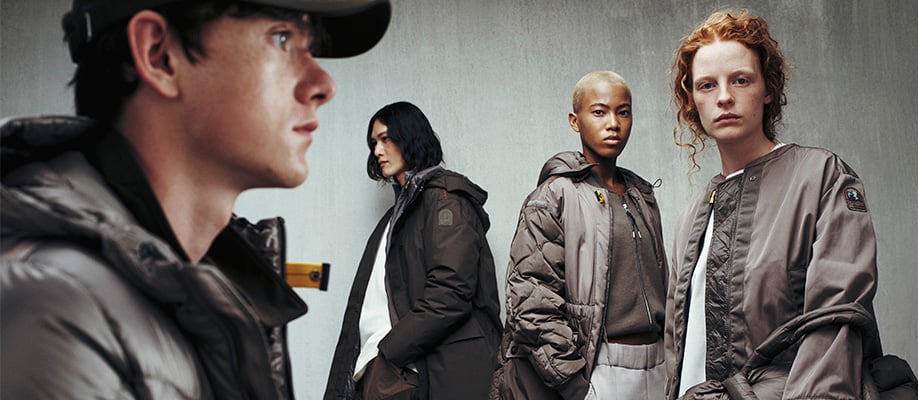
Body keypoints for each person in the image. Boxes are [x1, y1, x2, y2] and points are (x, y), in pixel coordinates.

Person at [0, 1, 390, 399]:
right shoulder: (54, 313)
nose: (323, 85)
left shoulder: (198, 293)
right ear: (160, 55)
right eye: (281, 38)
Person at [664, 9, 881, 399]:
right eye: (707, 85)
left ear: (767, 89)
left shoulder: (821, 178)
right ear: (692, 101)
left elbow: (836, 320)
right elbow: (678, 351)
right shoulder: (692, 217)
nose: (724, 97)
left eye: (740, 80)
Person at [491, 71, 669, 399]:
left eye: (623, 112)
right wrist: (575, 385)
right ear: (575, 121)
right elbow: (531, 301)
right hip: (596, 367)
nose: (613, 123)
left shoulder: (641, 195)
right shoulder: (553, 196)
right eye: (599, 112)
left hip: (658, 367)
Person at [323, 101, 503, 400]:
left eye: (385, 139)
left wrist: (391, 351)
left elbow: (451, 292)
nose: (377, 151)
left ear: (410, 137)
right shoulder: (397, 216)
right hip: (389, 366)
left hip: (416, 368)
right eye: (373, 143)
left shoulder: (445, 201)